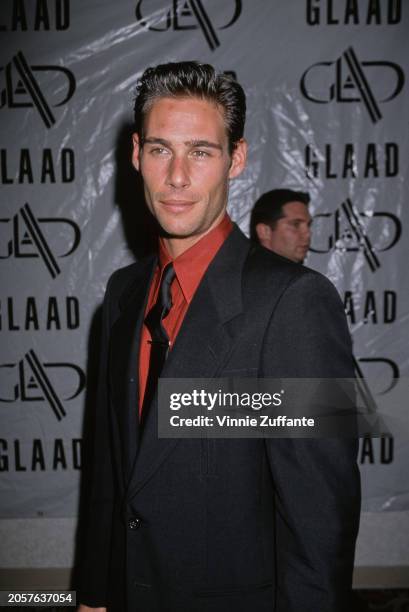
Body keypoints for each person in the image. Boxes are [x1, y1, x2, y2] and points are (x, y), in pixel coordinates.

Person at [78, 62, 360, 612]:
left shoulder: (298, 302)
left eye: (201, 152)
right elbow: (111, 470)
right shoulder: (122, 294)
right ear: (136, 155)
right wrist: (94, 589)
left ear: (236, 159)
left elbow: (320, 515)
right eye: (161, 150)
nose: (177, 177)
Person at [250, 189, 312, 263]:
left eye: (308, 225)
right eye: (295, 224)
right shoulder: (240, 273)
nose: (308, 234)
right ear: (264, 232)